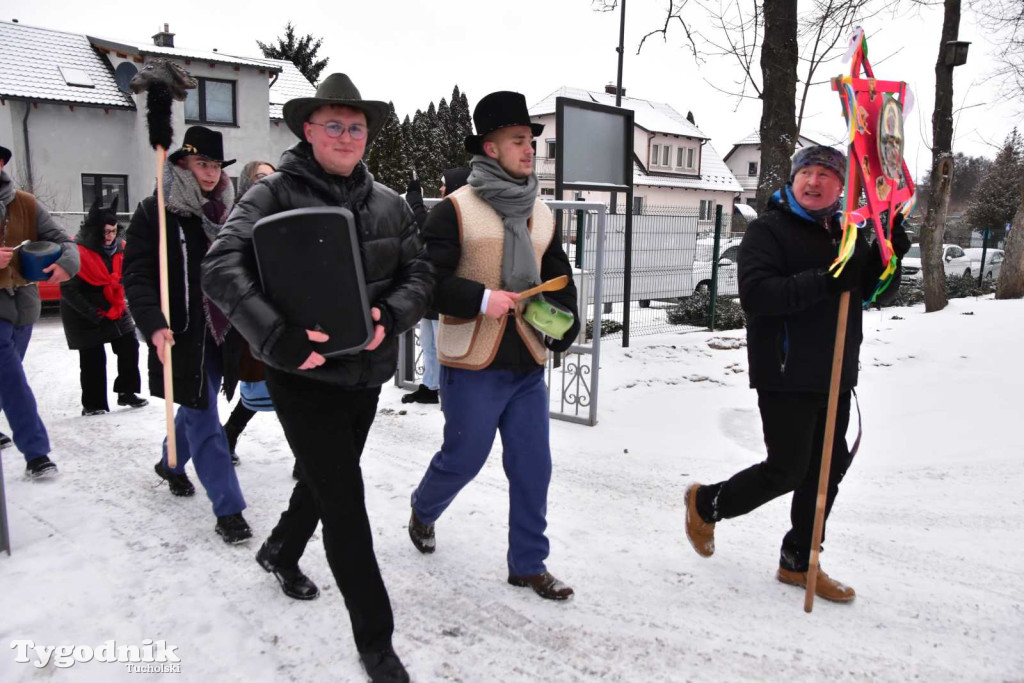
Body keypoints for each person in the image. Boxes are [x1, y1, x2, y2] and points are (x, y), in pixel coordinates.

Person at [202, 73, 433, 683]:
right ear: (308, 130)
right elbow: (219, 267)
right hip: (300, 376)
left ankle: (280, 550)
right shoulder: (271, 196)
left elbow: (420, 274)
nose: (346, 135)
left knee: (327, 481)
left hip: (366, 373)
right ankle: (376, 642)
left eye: (356, 126)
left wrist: (392, 314)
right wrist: (276, 335)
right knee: (346, 502)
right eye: (333, 124)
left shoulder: (389, 202)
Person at [683, 145, 910, 602]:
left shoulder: (847, 235)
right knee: (787, 469)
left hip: (836, 373)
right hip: (785, 372)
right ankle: (707, 503)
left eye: (825, 174)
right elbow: (759, 295)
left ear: (841, 186)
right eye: (806, 172)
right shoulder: (768, 231)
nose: (814, 181)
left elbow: (870, 295)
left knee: (826, 471)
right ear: (793, 179)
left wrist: (887, 255)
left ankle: (799, 561)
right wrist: (829, 278)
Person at [407, 91, 581, 601]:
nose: (529, 150)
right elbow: (425, 284)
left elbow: (559, 278)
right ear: (490, 147)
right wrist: (482, 299)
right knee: (464, 457)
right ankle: (423, 508)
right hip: (473, 361)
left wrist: (566, 325)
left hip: (526, 360)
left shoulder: (542, 214)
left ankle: (528, 563)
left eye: (530, 140)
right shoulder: (455, 211)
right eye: (518, 140)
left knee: (533, 465)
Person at [123, 125, 251, 544]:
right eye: (202, 164)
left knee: (197, 404)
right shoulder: (155, 211)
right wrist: (152, 323)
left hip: (225, 331)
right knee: (203, 416)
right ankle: (228, 509)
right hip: (181, 333)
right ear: (181, 163)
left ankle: (171, 463)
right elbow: (137, 274)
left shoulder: (232, 213)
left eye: (215, 164)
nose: (211, 173)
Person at [0, 143, 79, 476]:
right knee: (12, 379)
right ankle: (37, 454)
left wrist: (66, 263)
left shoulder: (26, 203)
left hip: (24, 307)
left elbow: (64, 240)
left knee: (7, 375)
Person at [59, 195, 147, 416]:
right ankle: (93, 404)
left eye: (114, 231)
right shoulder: (77, 252)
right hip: (84, 314)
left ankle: (127, 392)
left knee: (129, 345)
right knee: (93, 359)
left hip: (114, 307)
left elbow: (126, 275)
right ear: (95, 230)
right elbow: (68, 289)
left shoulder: (120, 248)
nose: (110, 237)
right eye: (106, 232)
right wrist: (93, 313)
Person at [221, 161, 276, 464]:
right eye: (259, 178)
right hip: (252, 315)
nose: (266, 182)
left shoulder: (283, 212)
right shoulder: (237, 219)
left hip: (285, 311)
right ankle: (228, 434)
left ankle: (304, 456)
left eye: (271, 177)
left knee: (295, 388)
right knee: (259, 388)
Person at [401, 168, 469, 405]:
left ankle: (447, 387)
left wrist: (414, 198)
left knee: (442, 345)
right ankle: (430, 386)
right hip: (431, 288)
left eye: (444, 184)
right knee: (429, 343)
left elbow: (424, 224)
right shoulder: (448, 209)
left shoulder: (458, 213)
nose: (441, 189)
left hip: (446, 288)